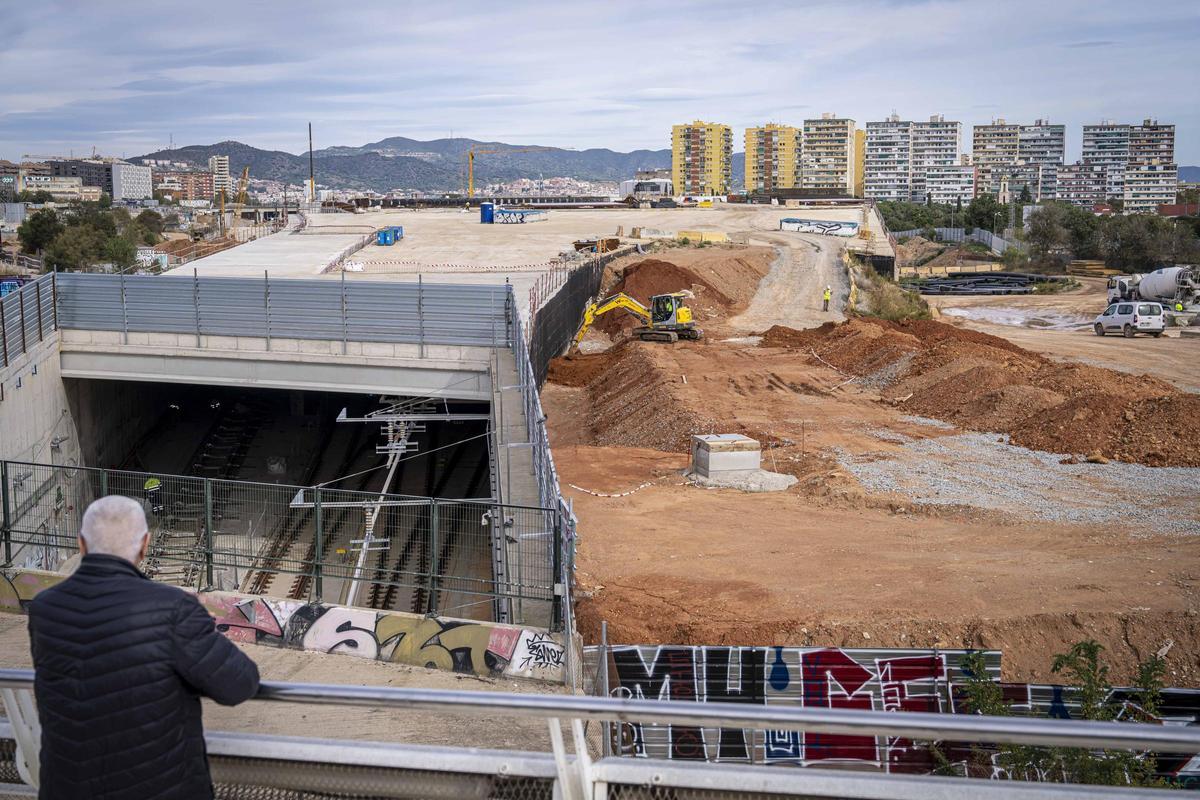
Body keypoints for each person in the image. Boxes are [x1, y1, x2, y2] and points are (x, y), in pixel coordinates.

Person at [27, 495, 260, 799]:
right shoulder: (173, 608)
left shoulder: (45, 608)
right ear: (145, 544)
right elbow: (238, 684)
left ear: (81, 544)